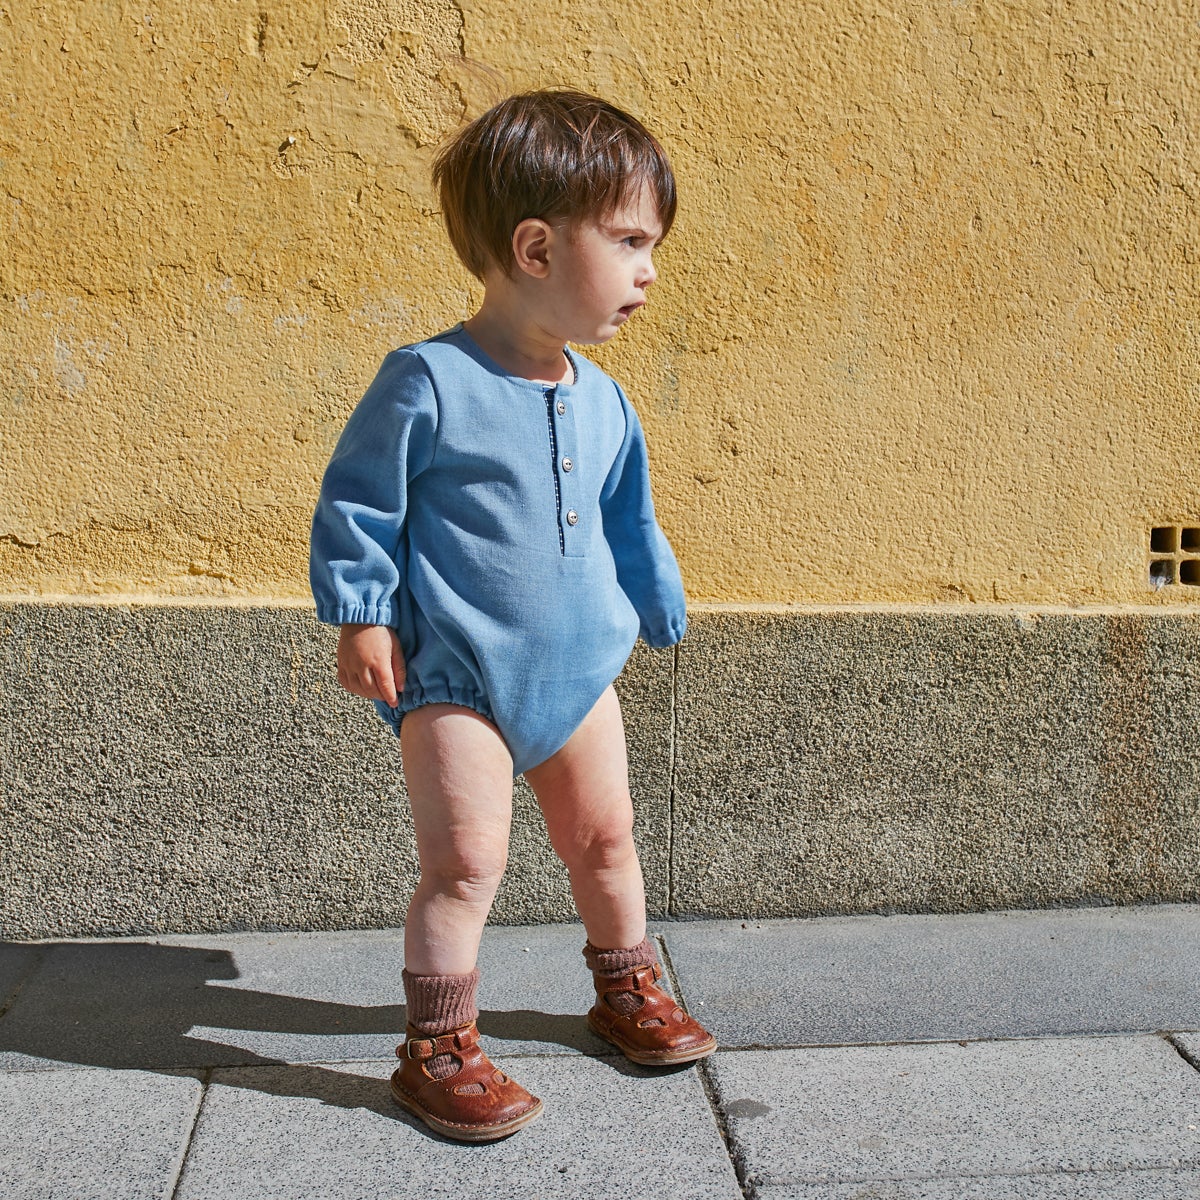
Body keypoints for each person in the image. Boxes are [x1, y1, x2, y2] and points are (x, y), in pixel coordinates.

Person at [309, 89, 715, 1142]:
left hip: (579, 673)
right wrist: (362, 614)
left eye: (652, 246)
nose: (649, 271)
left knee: (607, 838)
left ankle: (626, 985)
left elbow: (629, 514)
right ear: (535, 248)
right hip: (458, 678)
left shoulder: (604, 399)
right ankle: (437, 1048)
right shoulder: (429, 380)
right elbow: (360, 502)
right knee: (464, 867)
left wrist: (657, 592)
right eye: (629, 241)